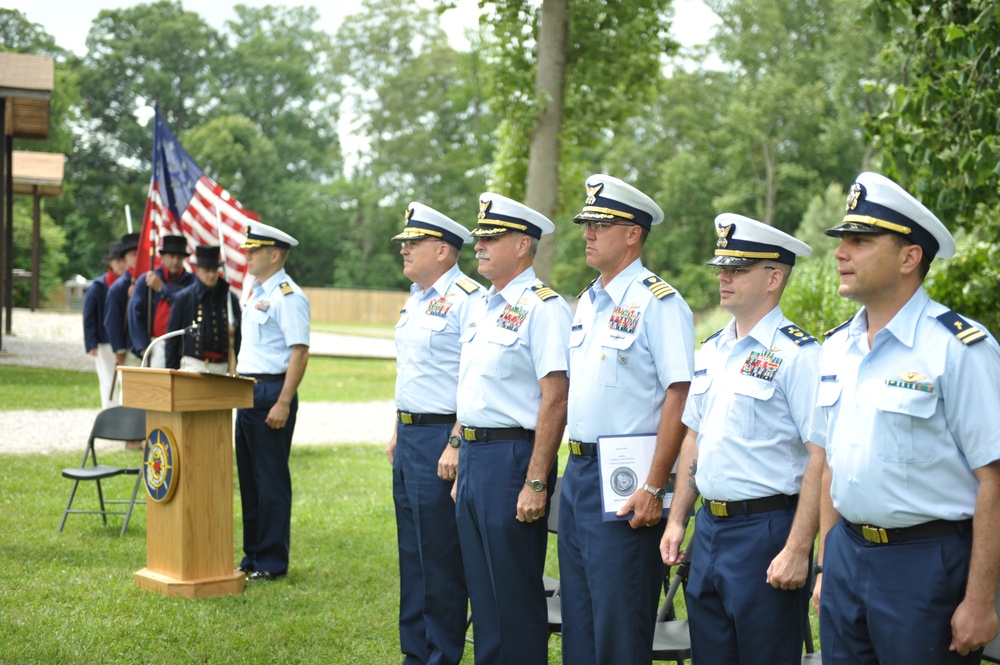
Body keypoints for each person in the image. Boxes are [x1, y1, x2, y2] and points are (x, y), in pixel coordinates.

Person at [810, 171, 1000, 663]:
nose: (840, 253)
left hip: (925, 566)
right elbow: (833, 461)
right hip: (848, 554)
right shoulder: (836, 348)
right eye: (842, 241)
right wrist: (828, 565)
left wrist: (980, 601)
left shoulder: (959, 349)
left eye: (860, 241)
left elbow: (994, 480)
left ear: (909, 257)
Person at [660, 213, 820, 664]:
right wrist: (678, 520)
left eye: (738, 269)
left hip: (766, 531)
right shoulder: (711, 350)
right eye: (722, 268)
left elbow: (820, 459)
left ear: (774, 278)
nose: (724, 277)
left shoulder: (798, 355)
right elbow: (694, 437)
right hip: (709, 530)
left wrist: (798, 548)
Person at [556, 174, 694, 665]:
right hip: (578, 473)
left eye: (600, 223)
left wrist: (656, 486)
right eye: (586, 224)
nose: (588, 232)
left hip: (629, 479)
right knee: (579, 618)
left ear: (633, 233)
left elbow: (681, 393)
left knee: (618, 625)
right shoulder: (588, 300)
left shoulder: (659, 302)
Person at [455, 193, 571, 664]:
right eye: (479, 236)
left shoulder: (544, 307)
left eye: (491, 237)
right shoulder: (482, 305)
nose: (479, 245)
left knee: (515, 594)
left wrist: (536, 479)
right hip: (475, 456)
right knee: (482, 594)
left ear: (523, 245)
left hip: (512, 458)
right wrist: (462, 461)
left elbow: (556, 397)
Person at [386, 202, 482, 665]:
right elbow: (415, 372)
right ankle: (414, 653)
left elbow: (474, 377)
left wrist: (456, 441)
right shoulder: (416, 297)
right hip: (409, 437)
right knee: (413, 555)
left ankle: (440, 655)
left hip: (442, 438)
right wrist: (396, 430)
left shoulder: (469, 299)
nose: (404, 250)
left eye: (413, 243)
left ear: (443, 250)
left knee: (441, 560)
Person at [235, 221, 310, 581]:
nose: (247, 255)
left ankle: (272, 562)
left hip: (271, 393)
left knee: (271, 480)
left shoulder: (287, 295)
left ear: (275, 254)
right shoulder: (254, 291)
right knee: (249, 479)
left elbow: (299, 353)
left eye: (254, 250)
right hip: (246, 390)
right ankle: (252, 555)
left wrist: (283, 401)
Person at [165, 245, 241, 375]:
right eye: (207, 270)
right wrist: (171, 370)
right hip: (192, 364)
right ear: (197, 270)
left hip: (221, 366)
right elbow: (173, 339)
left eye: (214, 271)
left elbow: (238, 336)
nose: (211, 275)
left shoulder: (229, 298)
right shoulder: (183, 298)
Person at [129, 235, 195, 368]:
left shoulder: (192, 282)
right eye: (171, 256)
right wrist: (142, 345)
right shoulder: (146, 280)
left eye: (179, 257)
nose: (175, 261)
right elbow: (135, 313)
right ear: (163, 257)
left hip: (185, 344)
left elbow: (188, 304)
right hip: (158, 343)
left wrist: (162, 288)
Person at [83, 240, 126, 409]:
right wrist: (91, 343)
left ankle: (125, 415)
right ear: (111, 263)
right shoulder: (98, 287)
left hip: (124, 341)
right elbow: (89, 316)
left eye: (123, 260)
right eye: (117, 261)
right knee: (108, 379)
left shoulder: (131, 284)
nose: (121, 264)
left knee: (127, 381)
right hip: (104, 341)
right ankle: (110, 414)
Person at [105, 232, 141, 368]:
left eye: (140, 253)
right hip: (129, 349)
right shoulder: (118, 288)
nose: (138, 258)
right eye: (133, 254)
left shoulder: (152, 282)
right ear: (125, 260)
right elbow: (112, 322)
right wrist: (119, 350)